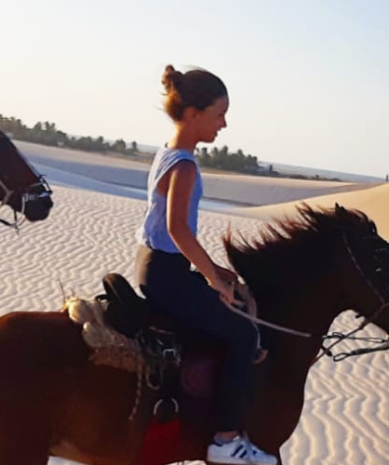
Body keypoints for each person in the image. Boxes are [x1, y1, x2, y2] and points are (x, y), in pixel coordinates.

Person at [134, 65, 277, 465]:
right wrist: (214, 278)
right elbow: (177, 229)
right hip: (166, 273)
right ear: (193, 113)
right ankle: (225, 441)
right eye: (219, 114)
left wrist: (216, 269)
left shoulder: (168, 153)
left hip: (159, 265)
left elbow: (172, 232)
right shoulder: (183, 165)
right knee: (244, 334)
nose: (224, 124)